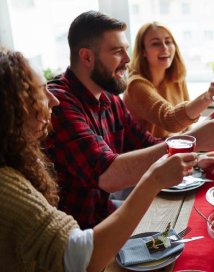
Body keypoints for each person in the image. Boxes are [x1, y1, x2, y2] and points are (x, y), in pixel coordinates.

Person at [0, 47, 196, 271]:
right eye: (39, 91)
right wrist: (152, 181)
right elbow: (80, 259)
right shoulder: (7, 185)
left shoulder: (21, 154)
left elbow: (146, 143)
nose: (52, 101)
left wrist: (193, 158)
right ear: (11, 108)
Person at [44, 11, 214, 228]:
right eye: (117, 52)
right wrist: (193, 141)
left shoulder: (108, 97)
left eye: (126, 50)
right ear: (87, 57)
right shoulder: (58, 103)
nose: (127, 60)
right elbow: (107, 175)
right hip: (79, 237)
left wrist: (195, 159)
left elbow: (147, 144)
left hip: (107, 218)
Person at [125, 21, 214, 138]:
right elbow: (170, 121)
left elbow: (185, 127)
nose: (165, 48)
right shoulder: (136, 86)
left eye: (168, 41)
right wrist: (207, 97)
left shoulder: (176, 78)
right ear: (143, 52)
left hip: (175, 151)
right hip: (152, 154)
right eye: (156, 44)